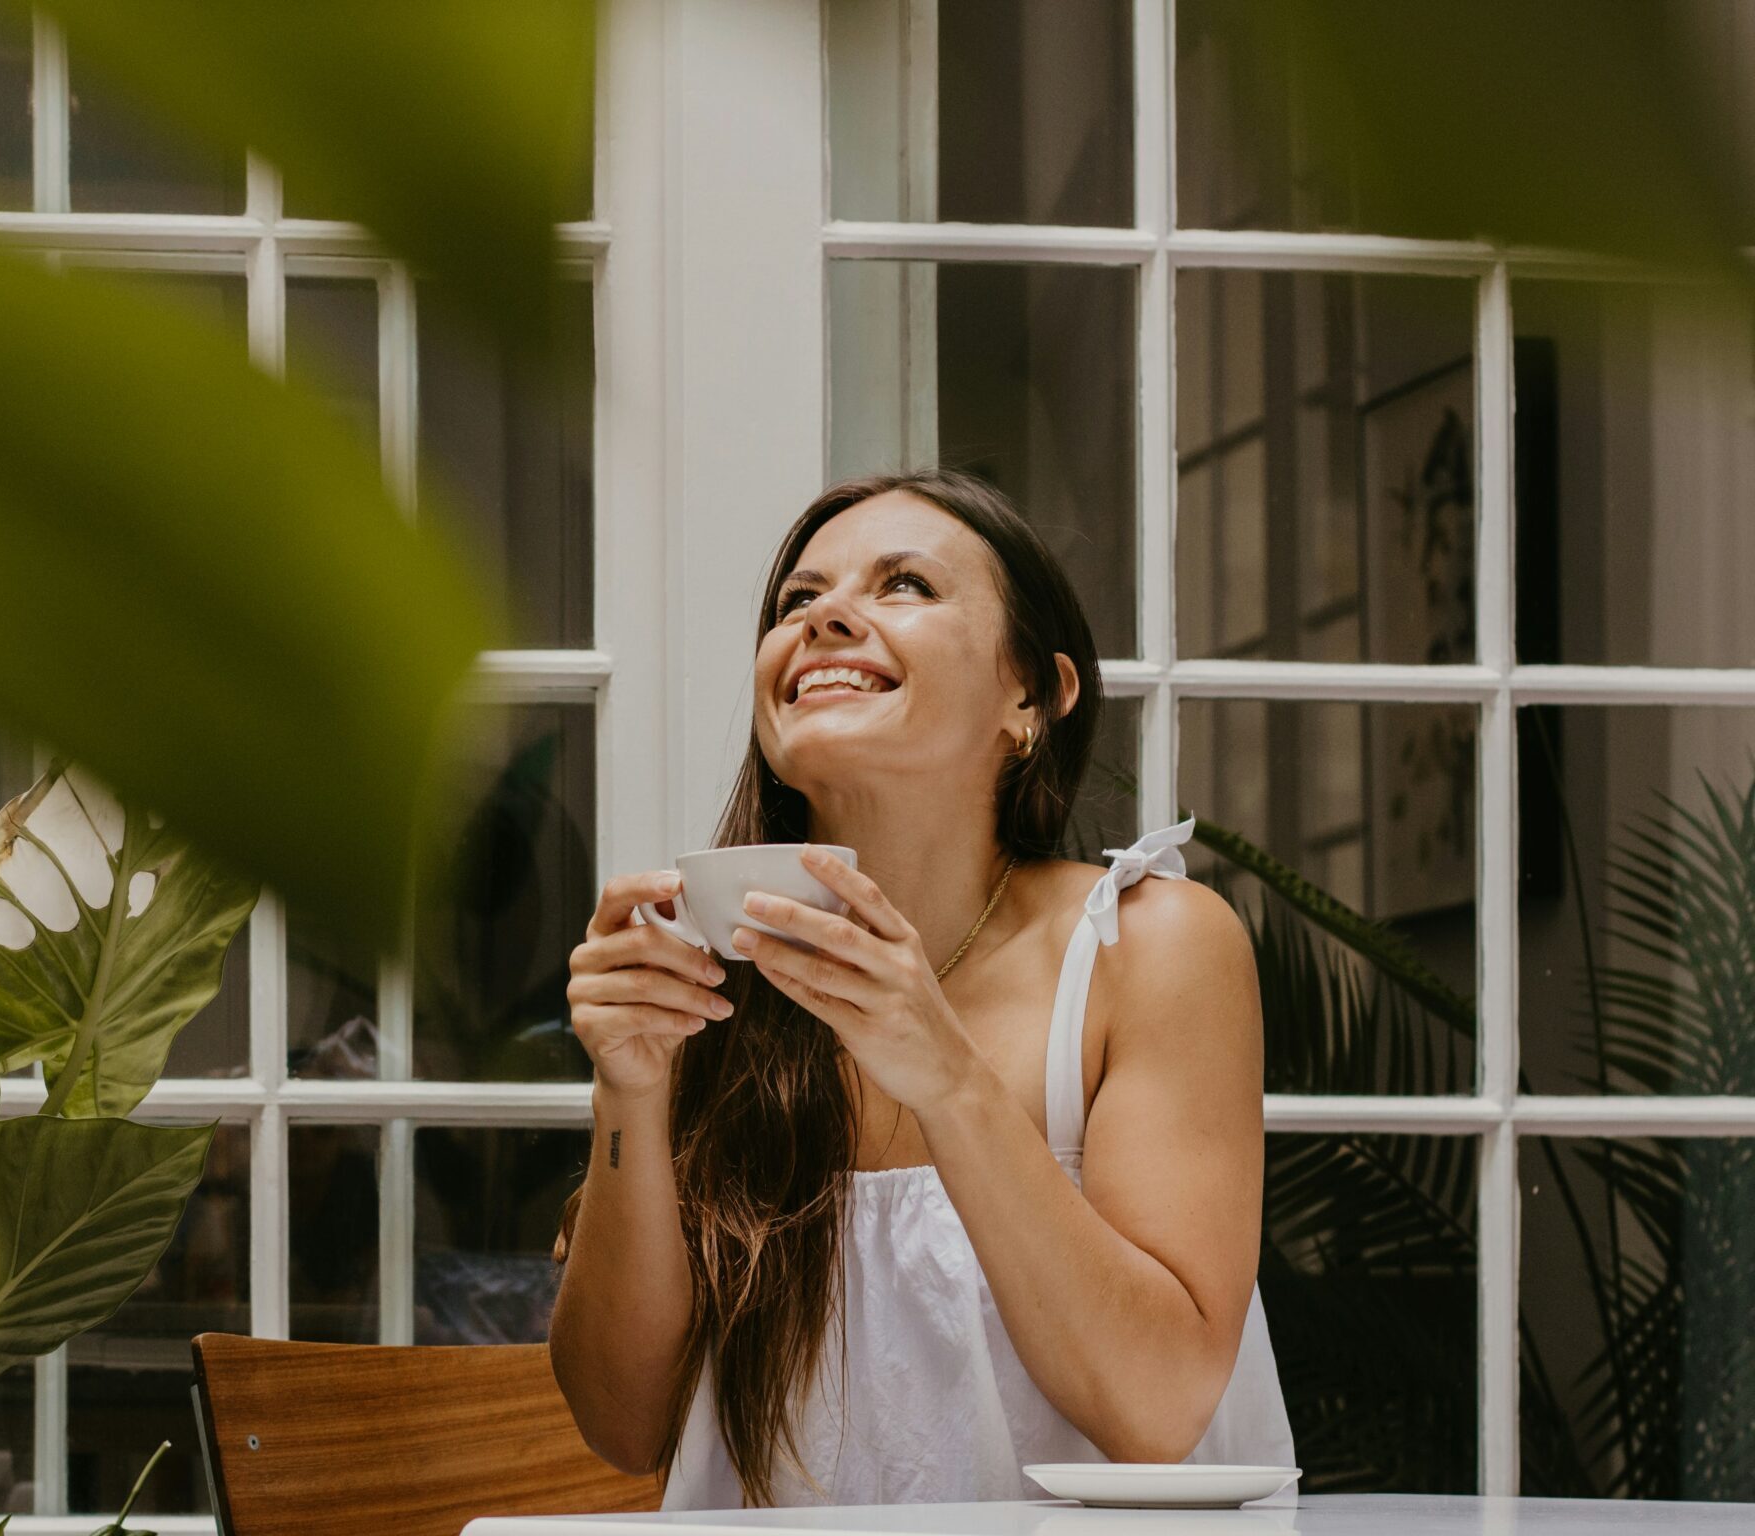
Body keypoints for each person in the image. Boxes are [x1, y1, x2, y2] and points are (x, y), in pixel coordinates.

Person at [550, 469, 1296, 1507]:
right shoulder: (704, 976)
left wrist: (945, 1075)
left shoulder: (1145, 944)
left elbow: (1157, 1408)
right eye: (795, 603)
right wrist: (627, 1093)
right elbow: (624, 1425)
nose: (824, 620)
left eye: (903, 584)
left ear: (1030, 696)